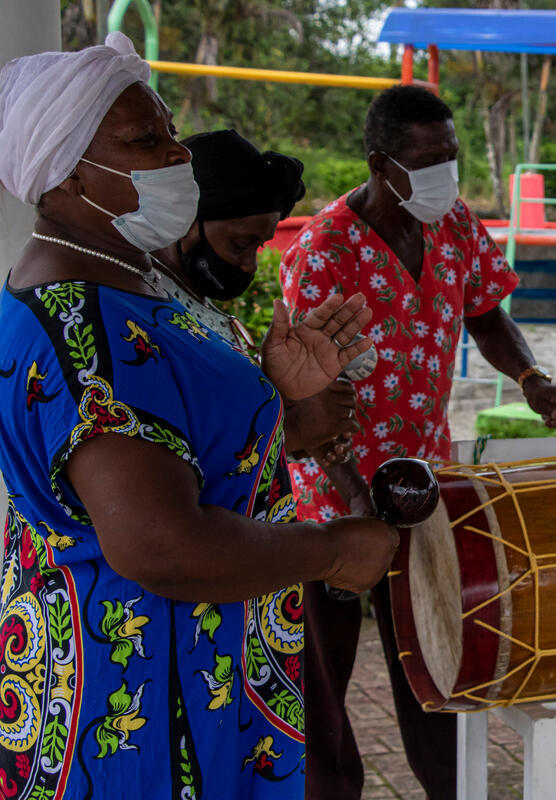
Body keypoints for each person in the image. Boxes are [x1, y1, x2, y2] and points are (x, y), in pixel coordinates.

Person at [0, 34, 398, 798]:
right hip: (137, 712)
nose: (178, 156)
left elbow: (183, 458)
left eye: (172, 133)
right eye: (145, 141)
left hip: (190, 683)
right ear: (69, 171)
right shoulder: (86, 324)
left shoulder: (125, 282)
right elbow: (161, 545)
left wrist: (284, 411)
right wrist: (331, 548)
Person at [280, 84, 556, 800]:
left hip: (424, 489)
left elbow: (486, 314)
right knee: (324, 684)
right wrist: (352, 494)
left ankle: (450, 789)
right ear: (382, 164)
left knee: (439, 669)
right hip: (335, 498)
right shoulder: (326, 250)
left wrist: (532, 377)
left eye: (452, 155)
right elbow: (305, 388)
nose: (446, 172)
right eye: (427, 159)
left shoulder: (454, 224)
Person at [152, 129, 357, 463]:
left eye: (259, 246)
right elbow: (176, 460)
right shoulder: (144, 315)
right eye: (241, 244)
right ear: (184, 221)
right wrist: (296, 431)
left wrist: (286, 396)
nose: (249, 264)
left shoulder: (200, 310)